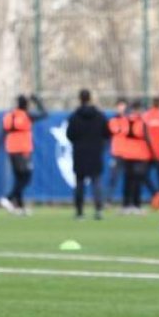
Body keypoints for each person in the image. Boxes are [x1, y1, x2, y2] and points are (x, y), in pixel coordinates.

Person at [0, 95, 46, 215]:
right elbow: (44, 114)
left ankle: (19, 207)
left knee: (18, 178)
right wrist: (38, 101)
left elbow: (2, 133)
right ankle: (8, 198)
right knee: (26, 177)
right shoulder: (27, 115)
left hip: (11, 149)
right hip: (23, 150)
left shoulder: (10, 116)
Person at [66, 89, 110, 220]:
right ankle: (98, 210)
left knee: (79, 182)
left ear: (80, 99)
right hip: (95, 152)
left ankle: (79, 212)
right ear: (90, 98)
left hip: (79, 153)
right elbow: (107, 133)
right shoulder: (100, 115)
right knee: (96, 182)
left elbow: (69, 135)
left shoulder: (74, 116)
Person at [121, 101, 153, 214]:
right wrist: (152, 153)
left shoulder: (125, 121)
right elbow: (147, 138)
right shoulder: (141, 122)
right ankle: (136, 205)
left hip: (126, 154)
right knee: (136, 181)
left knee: (127, 181)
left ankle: (126, 205)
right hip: (139, 155)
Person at [105, 98, 129, 200]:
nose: (121, 108)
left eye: (122, 105)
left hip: (128, 153)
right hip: (116, 153)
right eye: (119, 106)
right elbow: (116, 131)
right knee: (113, 178)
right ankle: (108, 200)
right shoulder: (113, 120)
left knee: (130, 179)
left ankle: (128, 201)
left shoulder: (129, 120)